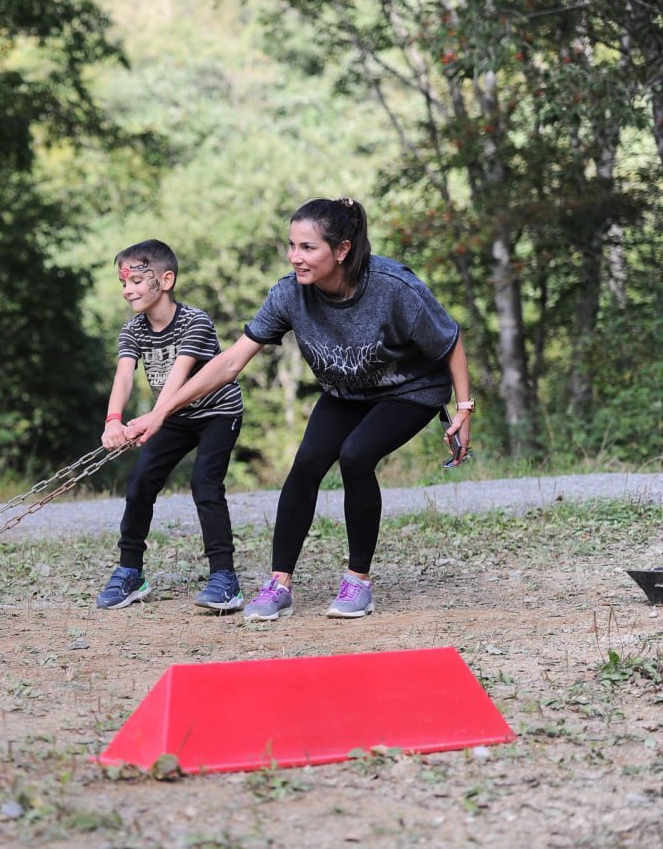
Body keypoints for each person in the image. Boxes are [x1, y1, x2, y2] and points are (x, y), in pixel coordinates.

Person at [125, 198, 473, 621]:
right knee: (306, 463)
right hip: (347, 390)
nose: (295, 257)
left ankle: (358, 582)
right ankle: (279, 585)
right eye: (291, 246)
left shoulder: (391, 287)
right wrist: (161, 412)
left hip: (411, 389)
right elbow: (232, 361)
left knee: (356, 455)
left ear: (341, 250)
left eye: (308, 248)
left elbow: (450, 340)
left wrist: (463, 407)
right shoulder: (290, 293)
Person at [96, 239, 246, 612]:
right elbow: (124, 378)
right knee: (142, 479)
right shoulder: (133, 331)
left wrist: (151, 418)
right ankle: (130, 572)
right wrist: (114, 421)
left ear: (165, 280)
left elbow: (179, 377)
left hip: (217, 413)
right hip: (174, 418)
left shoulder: (195, 321)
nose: (127, 289)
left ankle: (224, 579)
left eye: (134, 279)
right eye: (123, 282)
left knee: (204, 483)